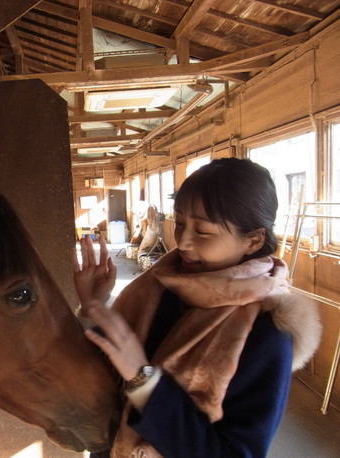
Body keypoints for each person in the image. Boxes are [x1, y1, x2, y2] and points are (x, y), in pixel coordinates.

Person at [74, 158, 322, 457]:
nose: (183, 242)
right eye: (179, 224)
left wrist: (143, 379)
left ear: (254, 240)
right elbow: (104, 371)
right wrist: (94, 306)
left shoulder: (267, 331)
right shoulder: (159, 286)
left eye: (202, 231)